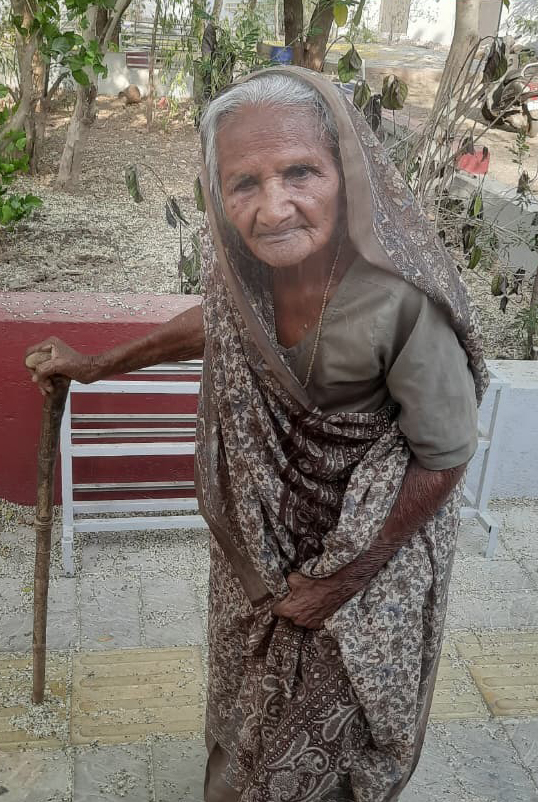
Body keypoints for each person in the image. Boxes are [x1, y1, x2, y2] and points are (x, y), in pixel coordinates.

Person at [27, 67, 488, 802]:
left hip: (367, 558)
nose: (273, 208)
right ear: (217, 193)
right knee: (244, 696)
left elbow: (446, 455)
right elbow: (219, 321)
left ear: (346, 173)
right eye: (244, 182)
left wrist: (340, 579)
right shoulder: (245, 273)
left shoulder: (402, 303)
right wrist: (95, 366)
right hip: (256, 549)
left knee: (331, 728)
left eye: (300, 172)